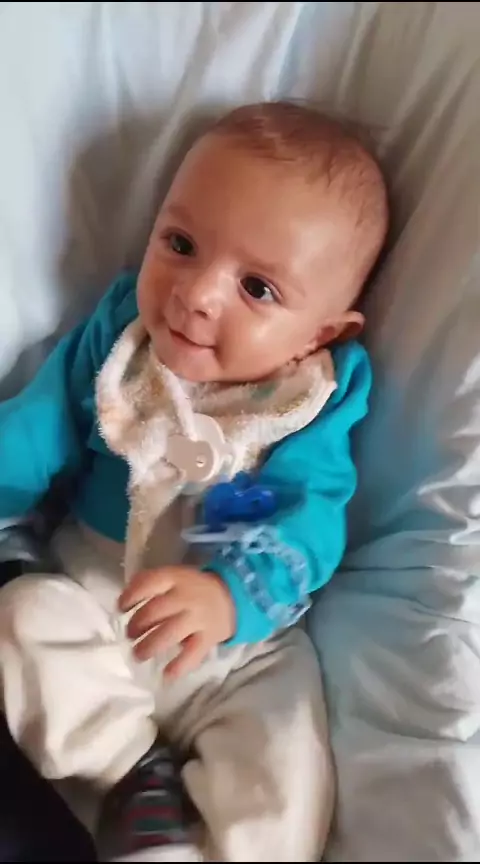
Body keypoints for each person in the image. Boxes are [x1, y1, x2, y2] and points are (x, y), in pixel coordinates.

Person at [0, 102, 388, 862]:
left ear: (320, 334)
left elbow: (312, 518)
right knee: (20, 617)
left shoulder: (311, 400)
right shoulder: (120, 344)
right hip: (99, 600)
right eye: (180, 244)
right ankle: (130, 771)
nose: (198, 292)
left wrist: (230, 596)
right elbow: (35, 433)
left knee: (285, 758)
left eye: (258, 288)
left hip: (235, 650)